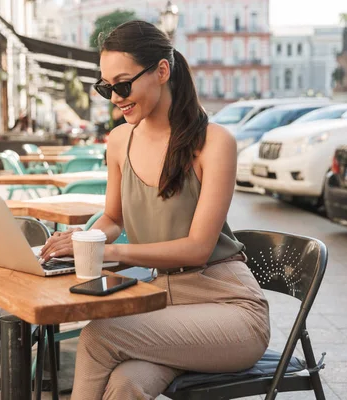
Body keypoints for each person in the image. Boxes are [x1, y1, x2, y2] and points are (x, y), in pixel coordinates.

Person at [40, 21, 270, 399]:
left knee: (99, 334)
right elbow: (113, 218)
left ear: (162, 71)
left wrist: (108, 251)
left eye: (123, 83)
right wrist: (83, 239)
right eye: (106, 87)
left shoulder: (214, 143)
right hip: (164, 307)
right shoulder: (118, 140)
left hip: (230, 311)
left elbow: (197, 248)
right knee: (127, 384)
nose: (115, 96)